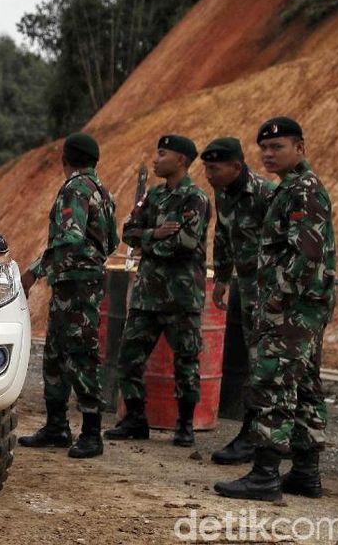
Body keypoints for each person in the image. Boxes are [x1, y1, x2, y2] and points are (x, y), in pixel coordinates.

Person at [215, 117, 336, 502]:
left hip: (292, 308)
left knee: (273, 383)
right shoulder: (290, 189)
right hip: (303, 307)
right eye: (264, 148)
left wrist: (276, 297)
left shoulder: (303, 190)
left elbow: (307, 252)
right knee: (304, 385)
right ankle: (304, 472)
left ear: (300, 148)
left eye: (277, 147)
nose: (268, 154)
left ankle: (265, 475)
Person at [104, 135, 209, 447]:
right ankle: (135, 419)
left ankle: (185, 426)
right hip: (147, 296)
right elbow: (129, 232)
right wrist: (155, 234)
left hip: (181, 298)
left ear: (180, 160)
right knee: (129, 359)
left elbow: (186, 243)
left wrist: (150, 242)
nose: (155, 159)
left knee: (186, 364)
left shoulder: (196, 198)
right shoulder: (153, 196)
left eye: (162, 154)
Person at [19, 132, 119, 459]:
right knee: (57, 353)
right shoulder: (102, 191)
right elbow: (113, 242)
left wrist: (35, 270)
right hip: (81, 281)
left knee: (79, 353)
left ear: (65, 159)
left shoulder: (74, 189)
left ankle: (91, 433)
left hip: (75, 282)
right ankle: (56, 427)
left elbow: (70, 235)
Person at [200, 137, 276, 465]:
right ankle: (259, 434)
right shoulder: (224, 192)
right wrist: (221, 277)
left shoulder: (265, 193)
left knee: (263, 362)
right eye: (206, 167)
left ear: (236, 166)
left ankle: (256, 436)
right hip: (245, 288)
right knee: (250, 358)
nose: (207, 174)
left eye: (214, 168)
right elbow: (223, 234)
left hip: (270, 290)